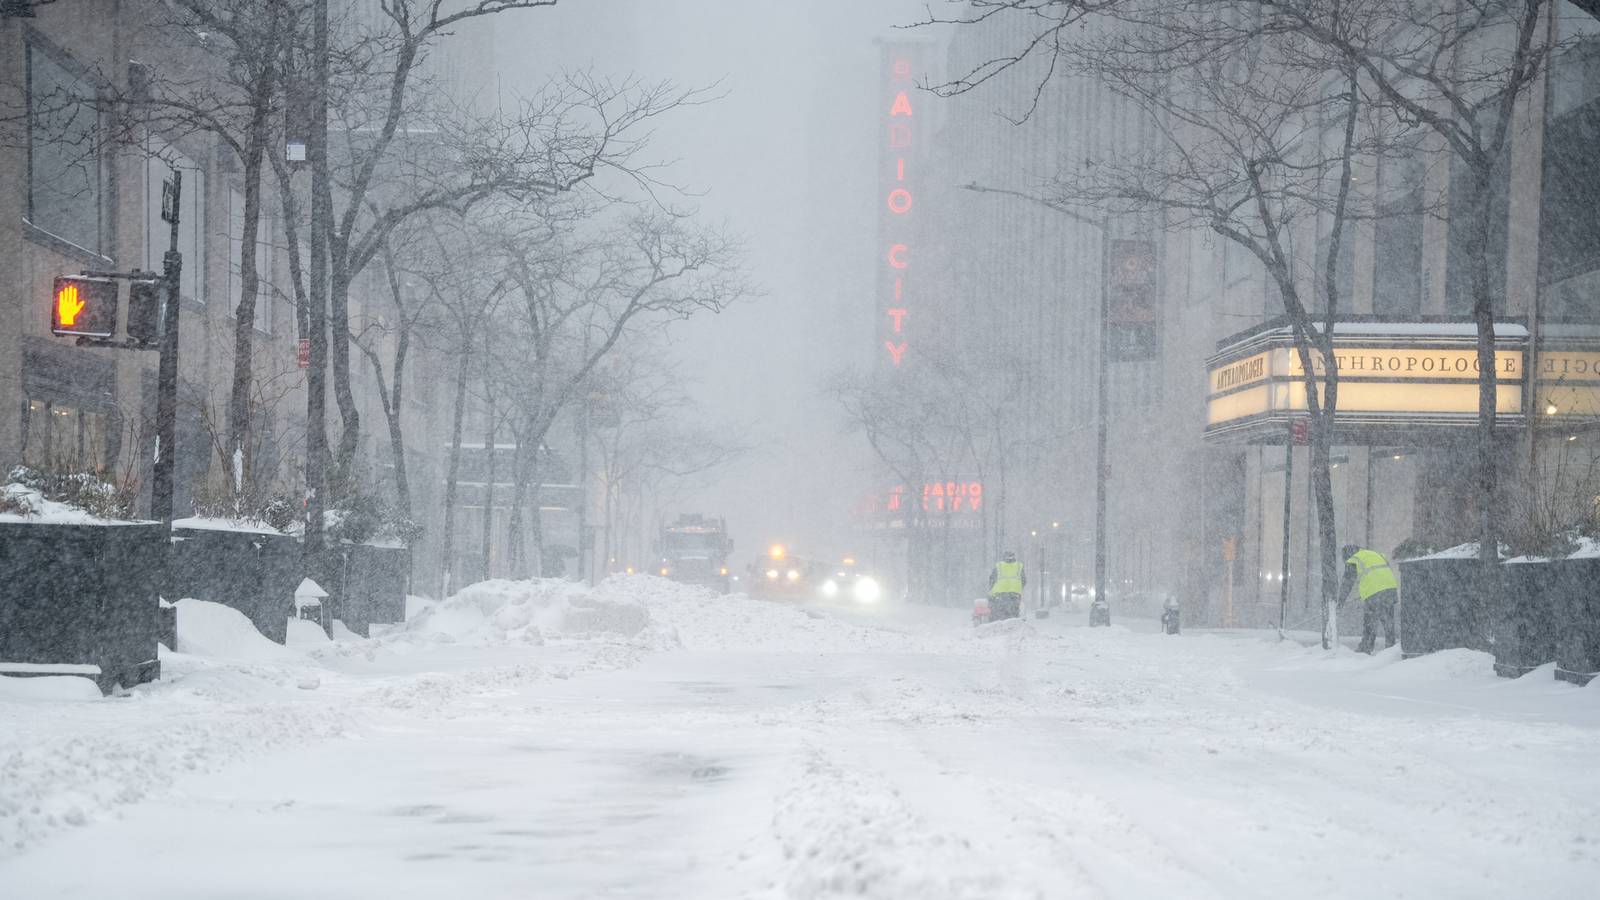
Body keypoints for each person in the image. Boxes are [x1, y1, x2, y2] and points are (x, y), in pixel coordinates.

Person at [1339, 543, 1399, 653]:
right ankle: (1391, 649)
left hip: (1374, 593)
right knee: (1388, 623)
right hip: (1390, 589)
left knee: (1369, 623)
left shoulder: (1354, 559)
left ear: (1347, 555)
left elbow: (1347, 583)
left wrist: (1340, 601)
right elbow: (1378, 573)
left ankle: (1365, 648)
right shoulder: (1375, 554)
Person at [988, 550, 1026, 621]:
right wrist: (1017, 588)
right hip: (1014, 595)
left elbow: (992, 580)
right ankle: (1013, 627)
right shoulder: (1019, 566)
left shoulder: (999, 566)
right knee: (1014, 615)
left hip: (999, 595)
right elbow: (1024, 581)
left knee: (997, 615)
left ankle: (996, 627)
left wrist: (991, 591)